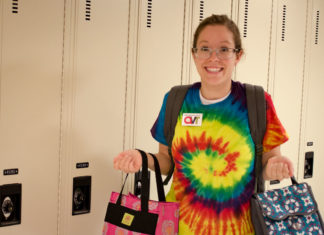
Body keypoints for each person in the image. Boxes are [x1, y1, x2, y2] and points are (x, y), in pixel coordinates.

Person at [113, 14, 294, 235]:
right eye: (205, 48)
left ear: (238, 55)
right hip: (179, 227)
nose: (213, 58)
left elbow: (267, 165)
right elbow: (167, 162)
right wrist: (142, 158)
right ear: (194, 54)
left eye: (224, 49)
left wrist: (275, 166)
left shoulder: (257, 101)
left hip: (239, 229)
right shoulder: (175, 99)